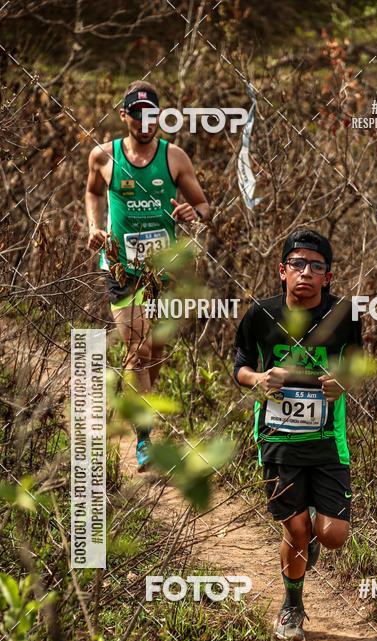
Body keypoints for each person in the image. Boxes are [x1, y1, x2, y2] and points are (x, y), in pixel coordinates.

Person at [233, 229, 362, 641]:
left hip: (327, 442)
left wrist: (342, 382)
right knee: (296, 530)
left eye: (316, 266)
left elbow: (356, 367)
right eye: (298, 264)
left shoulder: (345, 315)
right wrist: (258, 380)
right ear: (282, 271)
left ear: (327, 276)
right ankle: (292, 606)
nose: (306, 273)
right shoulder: (260, 315)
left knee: (333, 535)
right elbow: (239, 367)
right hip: (277, 440)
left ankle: (311, 539)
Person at [85, 80, 210, 468]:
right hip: (121, 267)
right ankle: (144, 439)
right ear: (124, 116)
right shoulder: (103, 157)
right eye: (137, 115)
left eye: (151, 115)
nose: (144, 122)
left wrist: (194, 214)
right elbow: (91, 193)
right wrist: (94, 226)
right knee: (138, 351)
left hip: (164, 270)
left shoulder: (174, 158)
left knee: (155, 353)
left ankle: (136, 408)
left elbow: (204, 206)